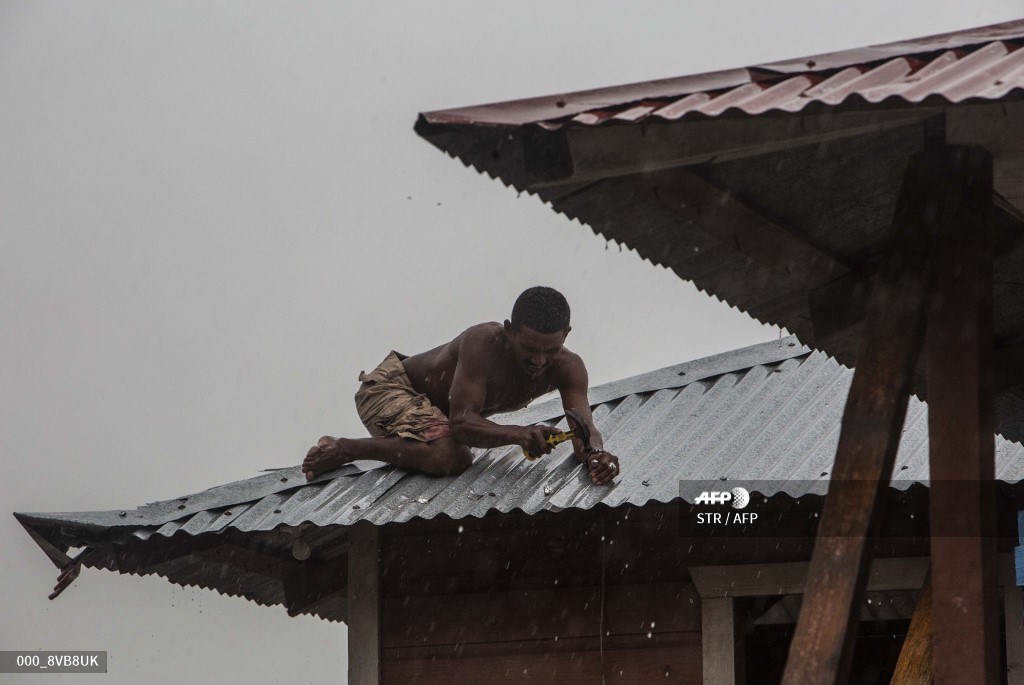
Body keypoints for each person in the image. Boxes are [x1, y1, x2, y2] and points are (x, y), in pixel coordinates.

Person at [302, 286, 620, 485]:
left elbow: (584, 428)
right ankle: (344, 448)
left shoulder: (570, 368)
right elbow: (462, 424)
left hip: (442, 414)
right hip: (391, 388)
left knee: (451, 451)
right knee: (450, 457)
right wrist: (520, 434)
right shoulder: (483, 341)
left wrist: (595, 455)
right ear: (509, 331)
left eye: (550, 351)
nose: (539, 361)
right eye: (529, 349)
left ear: (566, 334)